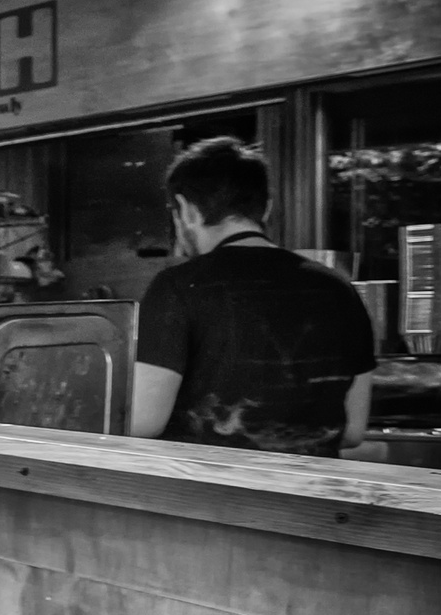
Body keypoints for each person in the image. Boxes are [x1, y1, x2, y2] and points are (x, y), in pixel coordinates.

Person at [130, 137, 375, 457]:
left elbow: (144, 421)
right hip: (315, 500)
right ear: (267, 207)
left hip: (210, 498)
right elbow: (353, 429)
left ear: (186, 210)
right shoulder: (340, 289)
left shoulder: (177, 287)